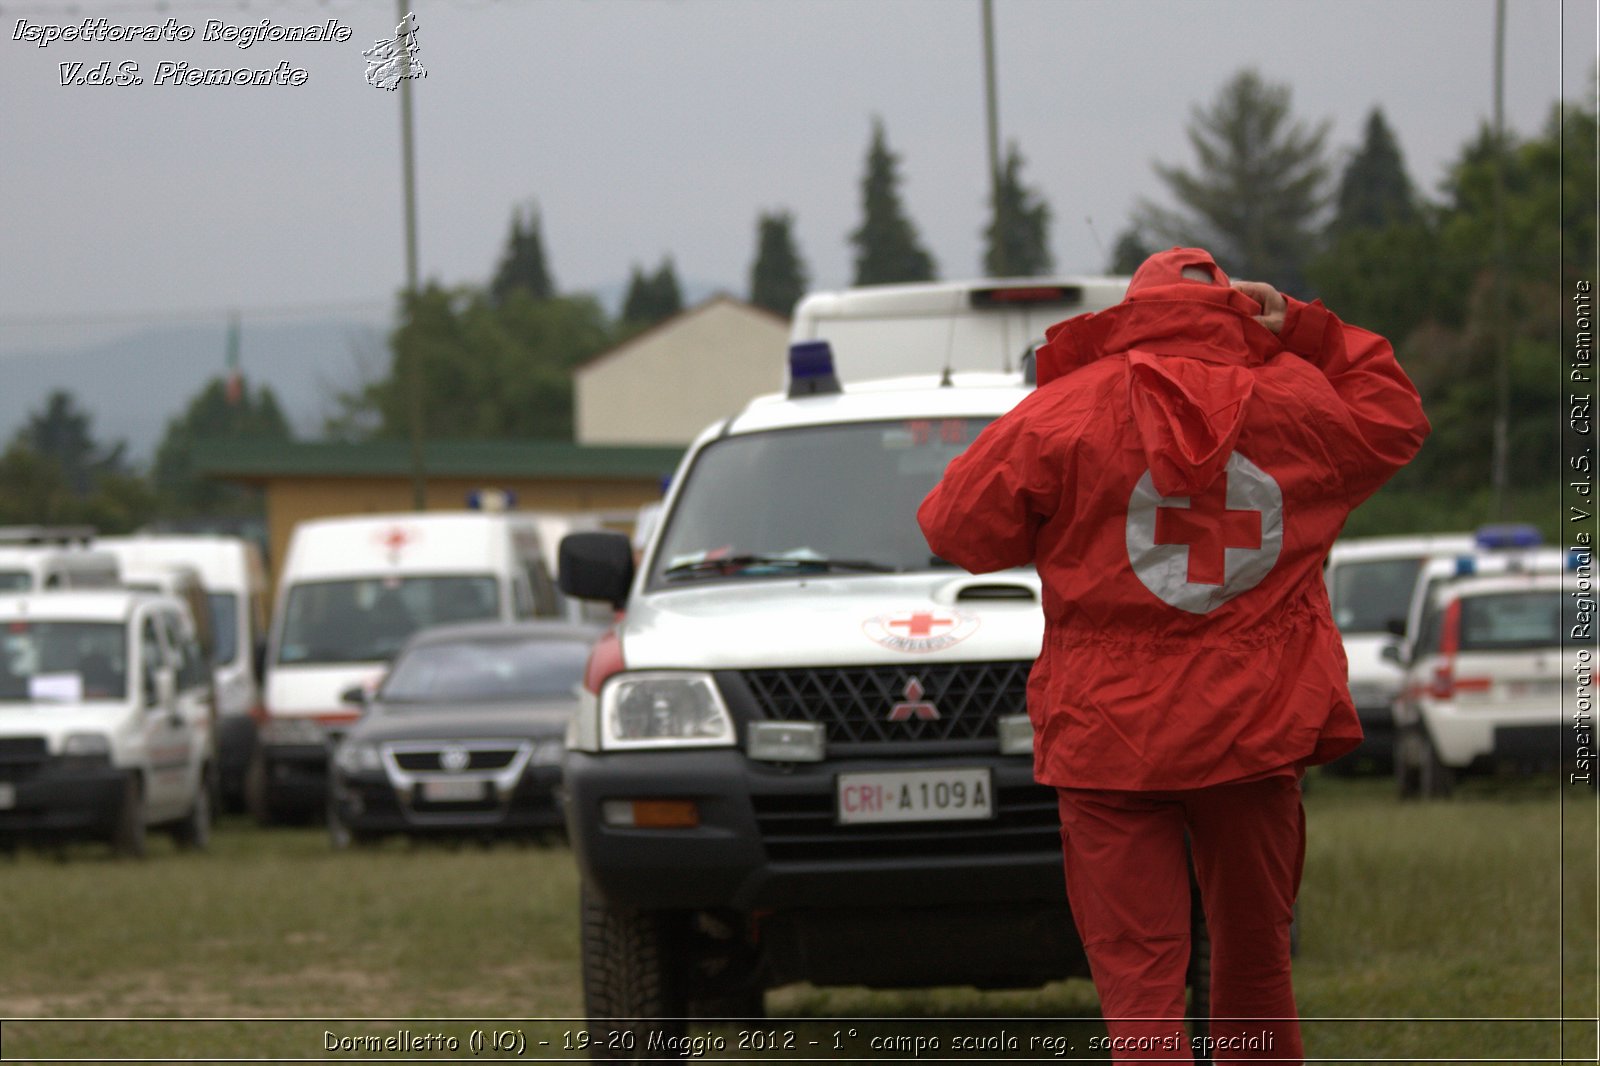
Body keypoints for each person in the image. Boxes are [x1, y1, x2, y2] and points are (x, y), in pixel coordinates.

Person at [917, 247, 1429, 1064]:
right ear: (1236, 308)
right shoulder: (1299, 402)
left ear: (1129, 313)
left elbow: (955, 527)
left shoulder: (1060, 415)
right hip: (1256, 729)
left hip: (1107, 740)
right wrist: (1300, 326)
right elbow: (1395, 413)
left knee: (1141, 998)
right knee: (1258, 971)